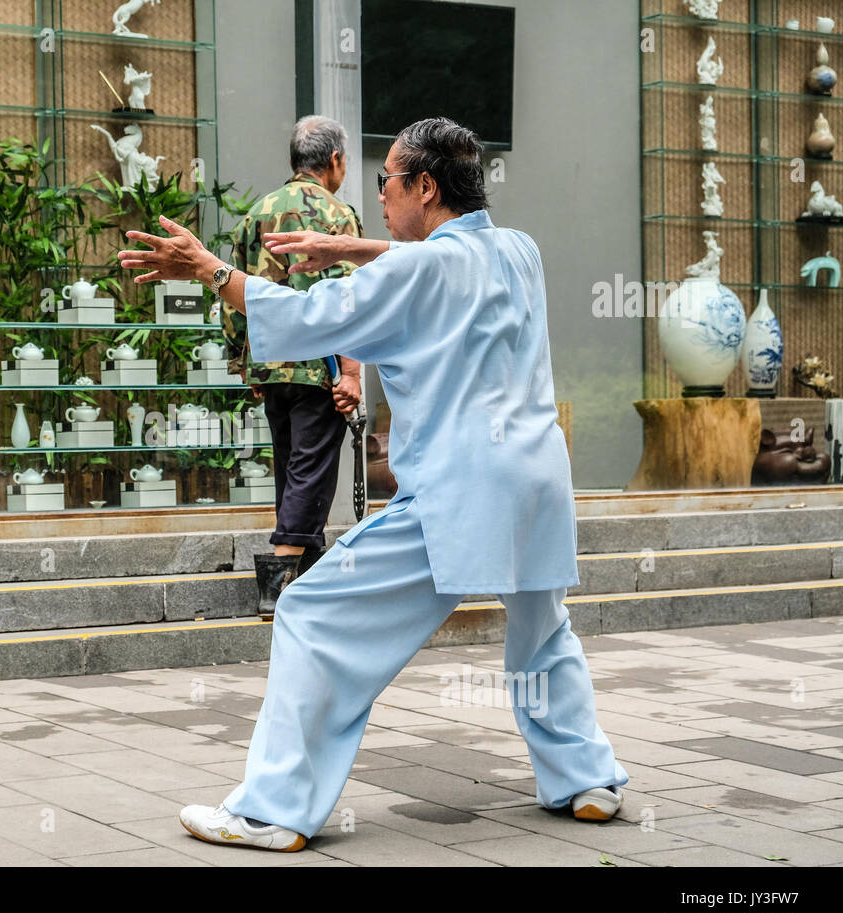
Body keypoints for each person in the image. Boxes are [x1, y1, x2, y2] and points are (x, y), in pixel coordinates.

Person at [118, 116, 628, 852]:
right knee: (544, 634)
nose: (377, 196)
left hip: (460, 489)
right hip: (540, 480)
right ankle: (587, 780)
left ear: (423, 186)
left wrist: (209, 269)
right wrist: (348, 246)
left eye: (387, 181)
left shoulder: (407, 272)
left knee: (310, 618)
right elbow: (449, 260)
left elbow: (304, 315)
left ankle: (272, 810)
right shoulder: (521, 252)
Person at [221, 115, 364, 618]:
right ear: (334, 161)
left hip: (270, 363)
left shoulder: (255, 213)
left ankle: (305, 573)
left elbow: (230, 292)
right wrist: (351, 373)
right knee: (311, 465)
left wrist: (246, 364)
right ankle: (281, 577)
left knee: (291, 464)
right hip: (316, 365)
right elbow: (350, 300)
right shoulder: (337, 214)